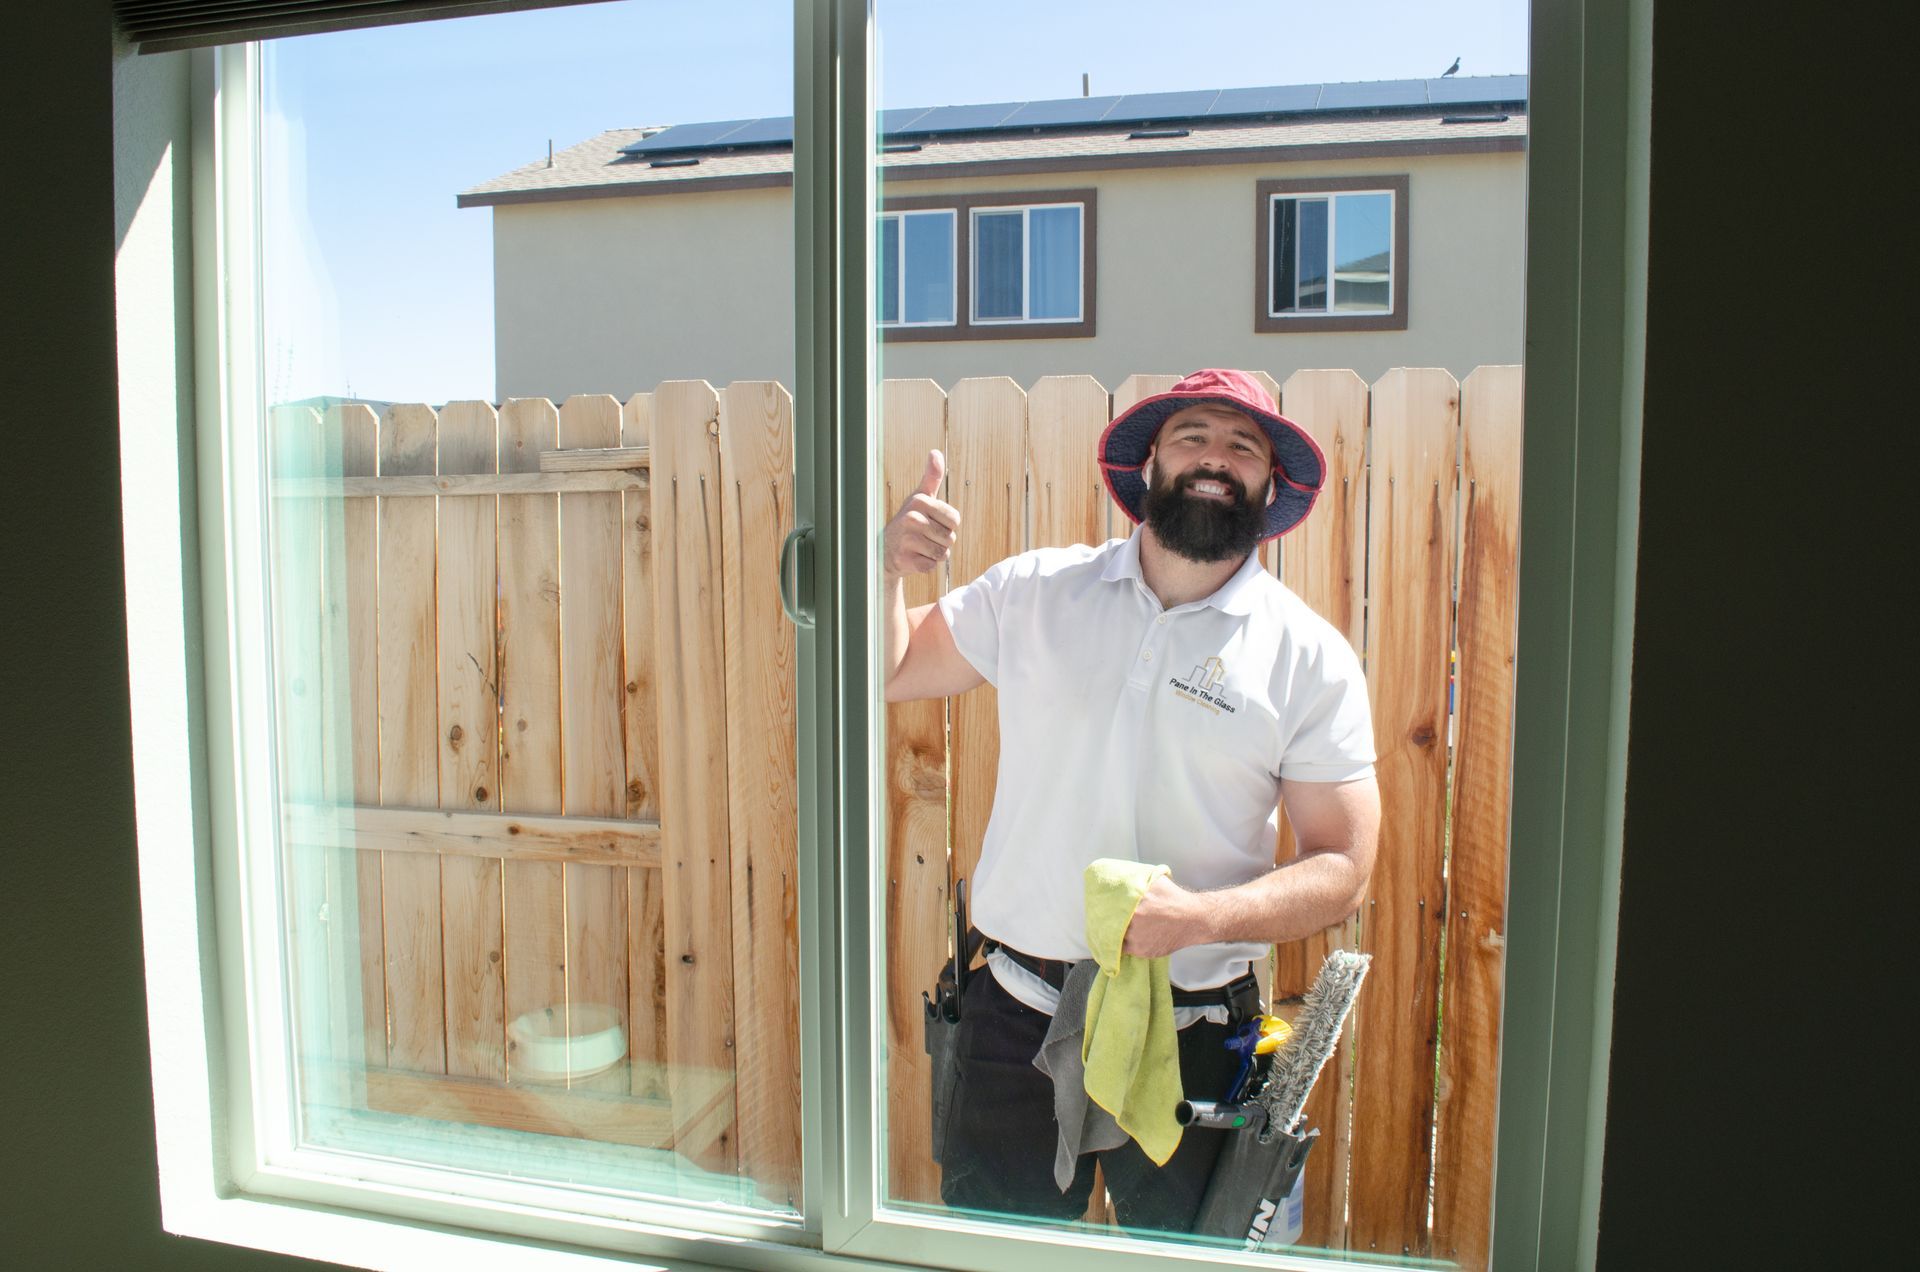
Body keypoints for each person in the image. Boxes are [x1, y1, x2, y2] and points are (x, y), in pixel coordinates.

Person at [883, 368, 1382, 1234]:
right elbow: (890, 667)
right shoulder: (1034, 591)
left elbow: (1344, 866)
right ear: (1149, 462)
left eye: (1243, 446)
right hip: (1014, 1018)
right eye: (1192, 436)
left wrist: (1200, 917)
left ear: (1271, 483)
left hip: (1196, 1034)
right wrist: (883, 567)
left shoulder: (1308, 656)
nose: (1215, 459)